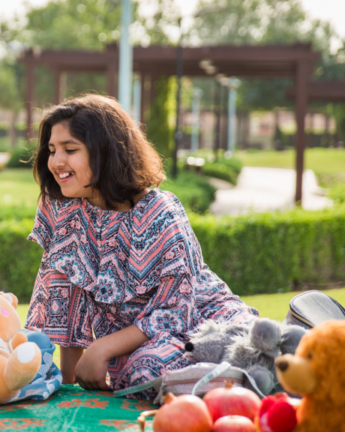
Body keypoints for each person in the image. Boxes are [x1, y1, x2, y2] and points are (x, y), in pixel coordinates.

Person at [24, 95, 258, 399]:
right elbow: (65, 301)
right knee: (145, 369)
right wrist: (70, 385)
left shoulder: (160, 212)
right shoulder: (61, 209)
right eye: (52, 150)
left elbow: (177, 308)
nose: (55, 161)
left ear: (105, 152)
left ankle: (255, 370)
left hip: (204, 323)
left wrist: (103, 347)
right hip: (139, 351)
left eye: (70, 150)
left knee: (156, 369)